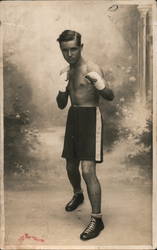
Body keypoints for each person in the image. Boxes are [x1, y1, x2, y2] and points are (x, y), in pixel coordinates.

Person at [56, 30, 114, 241]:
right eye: (65, 50)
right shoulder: (65, 71)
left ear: (81, 47)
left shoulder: (92, 68)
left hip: (91, 117)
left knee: (87, 170)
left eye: (73, 49)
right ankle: (78, 194)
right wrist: (62, 89)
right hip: (74, 117)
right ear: (61, 50)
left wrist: (99, 83)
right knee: (71, 166)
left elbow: (110, 96)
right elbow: (62, 105)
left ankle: (97, 219)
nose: (69, 54)